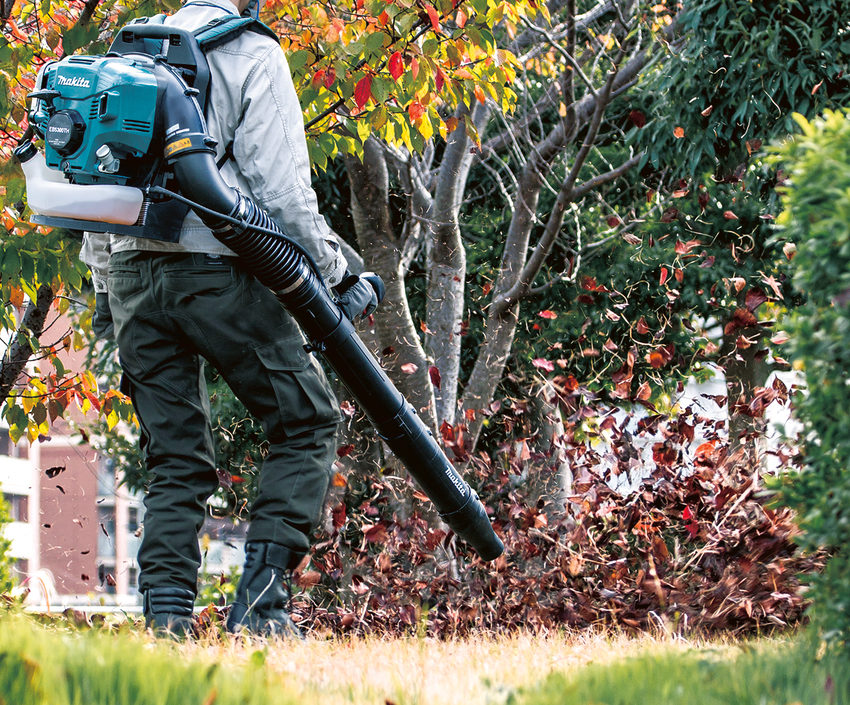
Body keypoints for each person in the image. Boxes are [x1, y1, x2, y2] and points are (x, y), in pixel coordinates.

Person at [80, 0, 381, 636]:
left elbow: (95, 187)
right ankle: (260, 608)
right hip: (217, 271)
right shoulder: (251, 53)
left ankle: (166, 623)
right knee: (307, 421)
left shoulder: (129, 51)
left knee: (175, 455)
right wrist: (337, 275)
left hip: (131, 275)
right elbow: (283, 196)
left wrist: (110, 292)